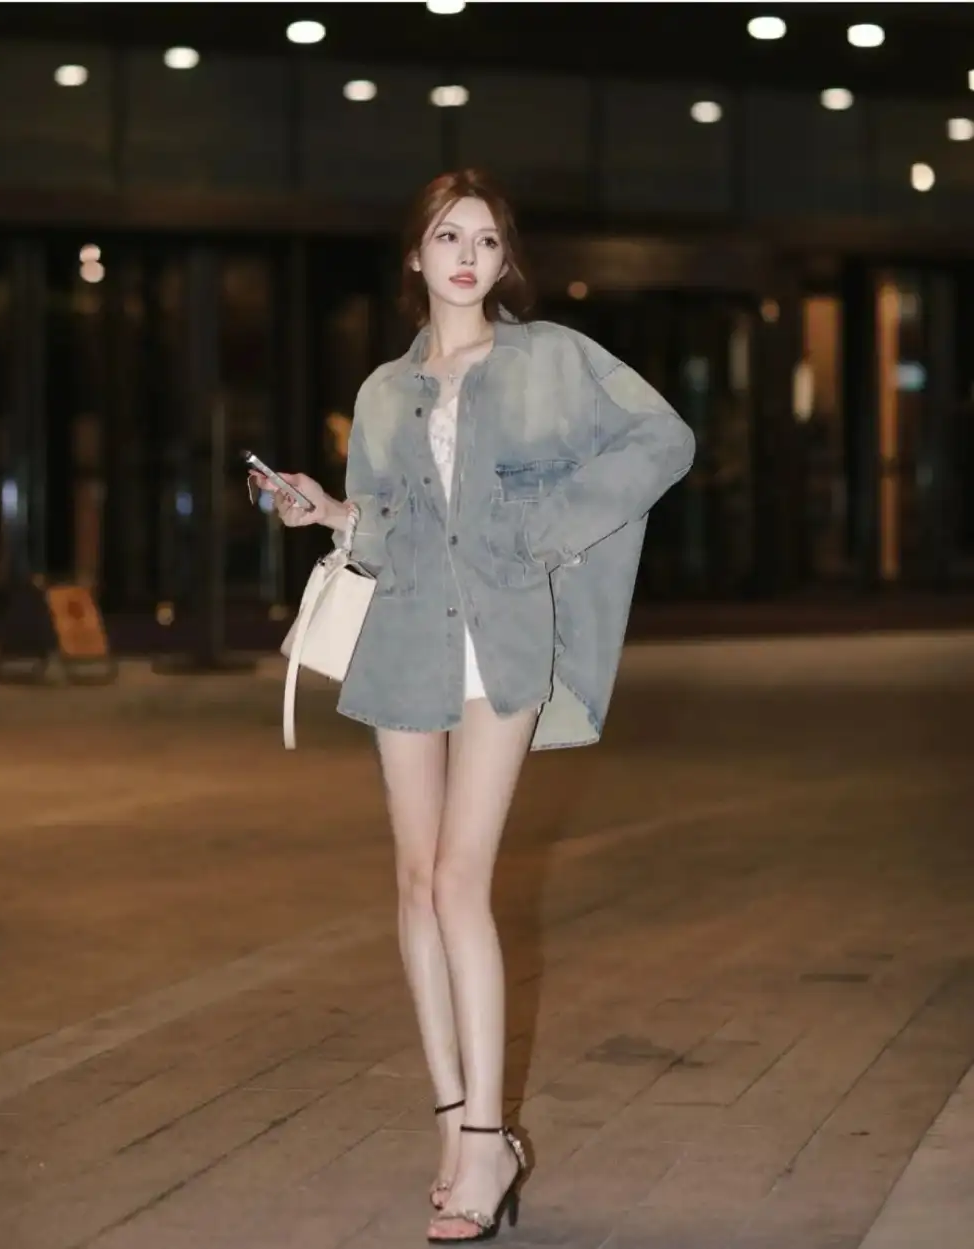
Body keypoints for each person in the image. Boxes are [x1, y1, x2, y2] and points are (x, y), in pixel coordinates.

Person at [250, 169, 696, 1243]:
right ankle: (453, 1123)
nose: (467, 256)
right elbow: (388, 525)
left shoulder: (551, 359)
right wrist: (325, 510)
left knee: (460, 880)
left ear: (505, 260)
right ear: (415, 254)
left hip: (500, 642)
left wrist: (547, 531)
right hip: (405, 636)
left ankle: (492, 1138)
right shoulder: (383, 391)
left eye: (486, 240)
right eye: (448, 237)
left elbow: (664, 440)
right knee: (413, 883)